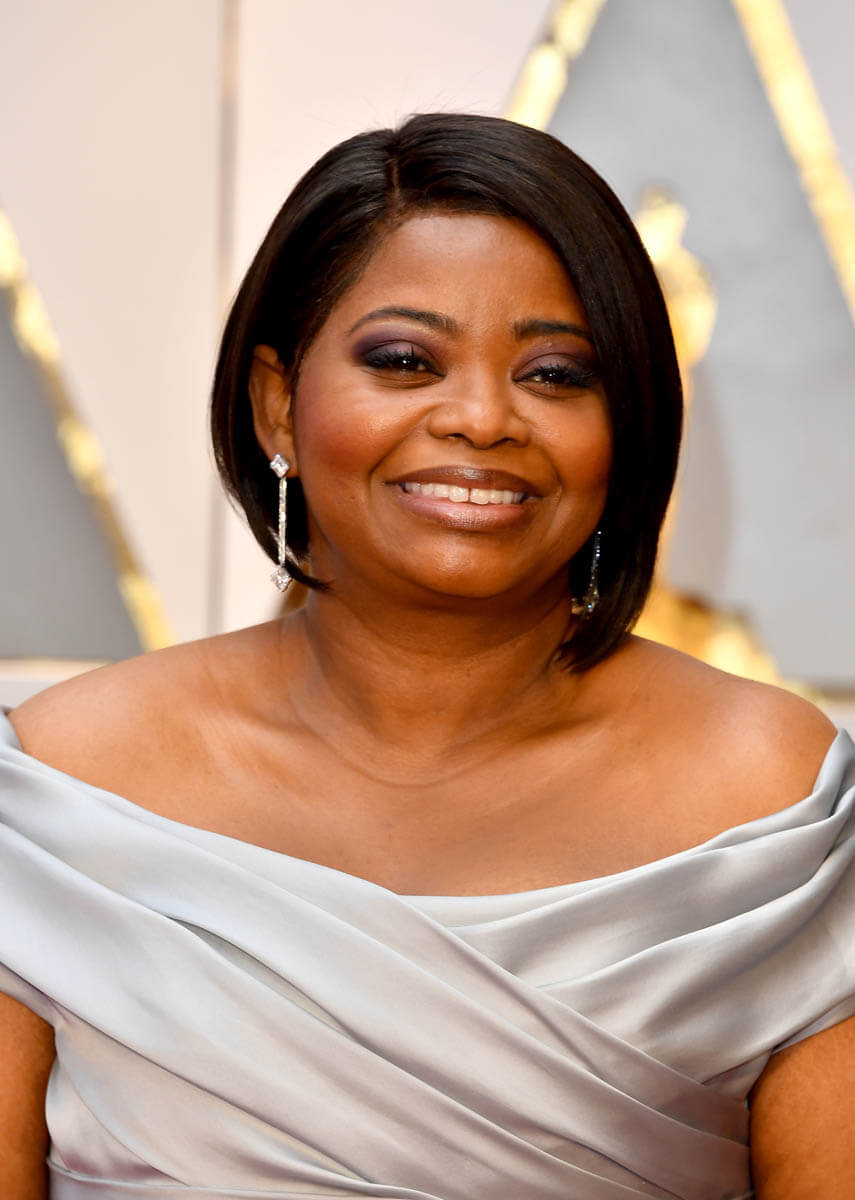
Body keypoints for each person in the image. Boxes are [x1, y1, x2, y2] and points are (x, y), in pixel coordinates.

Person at [1, 112, 853, 1200]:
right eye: (405, 360)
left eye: (556, 373)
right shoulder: (61, 787)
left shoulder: (772, 795)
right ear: (276, 405)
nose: (483, 418)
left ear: (626, 425)